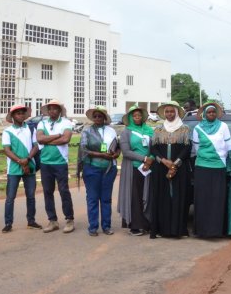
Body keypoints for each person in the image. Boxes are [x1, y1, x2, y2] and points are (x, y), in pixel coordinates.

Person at [148, 101, 192, 239]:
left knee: (179, 197)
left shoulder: (184, 129)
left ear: (177, 112)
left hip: (180, 168)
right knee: (162, 197)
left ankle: (179, 230)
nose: (169, 114)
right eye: (167, 112)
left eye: (172, 111)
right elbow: (153, 148)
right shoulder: (158, 129)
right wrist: (164, 161)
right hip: (161, 168)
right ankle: (162, 229)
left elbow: (187, 148)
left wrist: (175, 164)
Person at [35, 100, 75, 233]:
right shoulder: (42, 123)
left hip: (60, 163)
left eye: (55, 109)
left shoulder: (66, 122)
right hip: (45, 162)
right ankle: (52, 221)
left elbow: (66, 139)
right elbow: (40, 139)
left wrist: (49, 140)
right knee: (47, 192)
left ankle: (69, 219)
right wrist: (57, 135)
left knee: (64, 191)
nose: (52, 111)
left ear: (59, 110)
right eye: (50, 109)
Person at [192, 101, 231, 238]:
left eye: (213, 112)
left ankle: (216, 231)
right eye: (209, 112)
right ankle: (203, 231)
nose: (211, 114)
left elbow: (227, 147)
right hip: (202, 167)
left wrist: (218, 157)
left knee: (217, 199)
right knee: (203, 199)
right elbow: (197, 149)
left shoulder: (224, 126)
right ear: (204, 114)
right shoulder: (197, 128)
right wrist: (207, 157)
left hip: (219, 167)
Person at [79, 106, 120, 236]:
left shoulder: (111, 131)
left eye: (100, 116)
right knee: (92, 198)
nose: (97, 118)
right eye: (95, 116)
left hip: (109, 168)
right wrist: (101, 155)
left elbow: (117, 147)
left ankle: (106, 226)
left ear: (104, 118)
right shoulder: (87, 131)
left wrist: (116, 154)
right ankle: (93, 227)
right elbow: (84, 150)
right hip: (92, 168)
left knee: (106, 199)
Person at [2, 104, 41, 233]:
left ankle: (31, 220)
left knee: (31, 196)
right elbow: (7, 150)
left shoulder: (31, 129)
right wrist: (20, 161)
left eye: (22, 113)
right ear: (13, 116)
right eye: (17, 113)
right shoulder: (8, 131)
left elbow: (36, 146)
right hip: (14, 168)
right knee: (10, 197)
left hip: (30, 165)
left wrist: (28, 159)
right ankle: (8, 223)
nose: (20, 115)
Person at [117, 104, 154, 236]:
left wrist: (150, 159)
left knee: (148, 195)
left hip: (148, 167)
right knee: (135, 197)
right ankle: (136, 225)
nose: (137, 118)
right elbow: (126, 152)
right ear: (131, 118)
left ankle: (147, 223)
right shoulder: (126, 132)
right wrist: (144, 159)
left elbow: (155, 147)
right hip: (134, 168)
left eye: (139, 115)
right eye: (134, 116)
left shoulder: (149, 130)